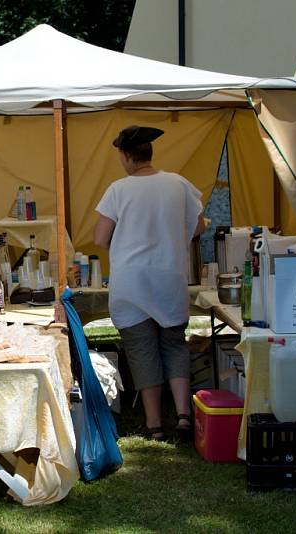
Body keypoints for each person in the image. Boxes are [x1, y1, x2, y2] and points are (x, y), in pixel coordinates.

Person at [93, 125, 205, 441]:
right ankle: (184, 415)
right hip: (169, 276)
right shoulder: (179, 184)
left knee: (141, 347)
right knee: (173, 343)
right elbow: (198, 227)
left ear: (127, 157)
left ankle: (154, 423)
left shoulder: (118, 190)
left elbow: (100, 238)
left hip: (132, 280)